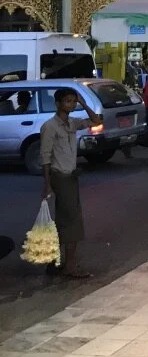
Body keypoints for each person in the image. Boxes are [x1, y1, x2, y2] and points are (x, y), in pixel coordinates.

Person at [40, 88, 102, 279]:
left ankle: (55, 262)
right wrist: (48, 185)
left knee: (63, 222)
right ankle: (70, 266)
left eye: (73, 102)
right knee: (73, 223)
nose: (71, 105)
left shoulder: (71, 123)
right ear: (58, 103)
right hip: (61, 178)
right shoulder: (50, 126)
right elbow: (45, 158)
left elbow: (97, 121)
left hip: (71, 177)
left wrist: (83, 103)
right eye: (68, 101)